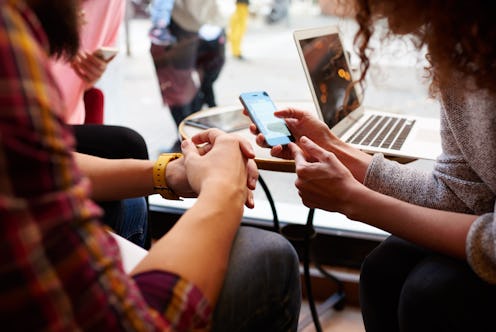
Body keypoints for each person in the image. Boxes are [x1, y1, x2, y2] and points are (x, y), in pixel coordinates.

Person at [0, 1, 302, 331]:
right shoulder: (8, 40)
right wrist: (222, 190)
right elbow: (129, 324)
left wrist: (170, 173)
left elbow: (41, 168)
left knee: (125, 152)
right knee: (270, 254)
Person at [249, 1, 496, 331]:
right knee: (382, 270)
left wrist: (353, 201)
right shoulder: (458, 48)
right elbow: (462, 194)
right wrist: (333, 147)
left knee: (430, 295)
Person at [49, 0, 150, 248]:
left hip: (68, 119)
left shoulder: (112, 4)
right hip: (35, 123)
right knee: (128, 145)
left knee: (126, 192)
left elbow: (91, 65)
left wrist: (93, 73)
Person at [150, 0, 226, 131]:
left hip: (182, 27)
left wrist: (160, 23)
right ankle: (195, 135)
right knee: (197, 86)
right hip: (207, 24)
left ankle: (190, 138)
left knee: (178, 88)